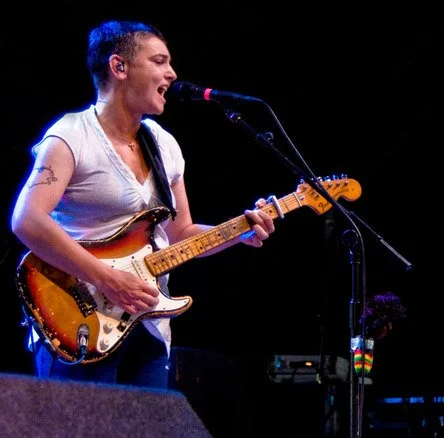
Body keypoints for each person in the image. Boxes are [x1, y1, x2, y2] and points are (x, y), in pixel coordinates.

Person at [10, 20, 275, 389]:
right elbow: (27, 220)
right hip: (76, 320)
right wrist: (107, 279)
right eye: (159, 61)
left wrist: (239, 233)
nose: (172, 73)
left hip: (146, 325)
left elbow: (180, 233)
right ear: (119, 67)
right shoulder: (70, 136)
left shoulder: (164, 145)